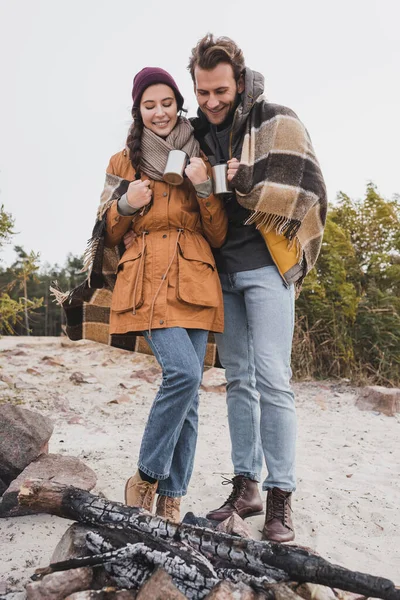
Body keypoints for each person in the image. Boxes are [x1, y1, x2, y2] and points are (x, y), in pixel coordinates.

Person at [186, 34, 327, 542]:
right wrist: (211, 181)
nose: (212, 102)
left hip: (269, 267)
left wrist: (237, 181)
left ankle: (280, 496)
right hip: (221, 270)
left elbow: (304, 188)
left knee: (273, 377)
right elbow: (183, 188)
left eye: (220, 91)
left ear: (239, 82)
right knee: (238, 379)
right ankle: (245, 485)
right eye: (202, 93)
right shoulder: (195, 135)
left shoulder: (277, 120)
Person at [102, 67, 227, 524]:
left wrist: (202, 186)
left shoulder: (203, 156)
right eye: (148, 104)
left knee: (191, 391)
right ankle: (146, 477)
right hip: (148, 276)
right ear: (138, 109)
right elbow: (108, 232)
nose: (159, 112)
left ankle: (173, 498)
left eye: (166, 103)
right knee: (183, 374)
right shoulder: (122, 161)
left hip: (196, 276)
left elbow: (217, 232)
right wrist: (126, 204)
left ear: (179, 104)